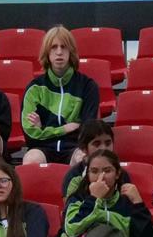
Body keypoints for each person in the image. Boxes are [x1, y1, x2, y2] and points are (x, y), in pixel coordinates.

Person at [58, 149, 153, 237]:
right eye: (94, 171)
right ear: (87, 174)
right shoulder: (77, 199)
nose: (100, 177)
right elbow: (72, 229)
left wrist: (138, 204)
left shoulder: (127, 201)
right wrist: (93, 199)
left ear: (118, 174)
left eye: (107, 171)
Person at [21, 26, 99, 166]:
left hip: (75, 147)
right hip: (42, 148)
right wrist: (65, 128)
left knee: (83, 159)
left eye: (64, 47)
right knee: (31, 160)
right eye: (53, 47)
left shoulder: (88, 86)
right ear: (47, 52)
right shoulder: (34, 88)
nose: (59, 52)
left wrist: (43, 129)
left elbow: (88, 131)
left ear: (71, 51)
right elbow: (31, 136)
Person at [60, 121, 126, 198]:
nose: (103, 148)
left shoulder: (120, 173)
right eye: (97, 144)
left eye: (108, 143)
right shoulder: (73, 175)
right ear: (84, 148)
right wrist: (94, 198)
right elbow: (69, 204)